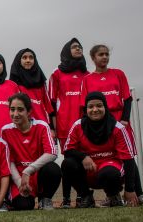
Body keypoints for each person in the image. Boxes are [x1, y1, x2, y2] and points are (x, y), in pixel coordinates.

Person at [81, 44, 143, 206]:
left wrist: (125, 120)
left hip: (119, 123)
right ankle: (113, 196)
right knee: (107, 159)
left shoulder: (118, 74)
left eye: (107, 54)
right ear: (93, 58)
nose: (105, 57)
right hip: (99, 124)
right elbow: (84, 105)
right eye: (101, 54)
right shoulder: (87, 79)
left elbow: (127, 98)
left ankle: (139, 195)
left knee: (129, 158)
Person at [62, 92, 139, 208]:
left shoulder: (118, 128)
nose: (95, 110)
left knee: (109, 173)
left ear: (105, 107)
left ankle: (113, 196)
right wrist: (83, 157)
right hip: (89, 170)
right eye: (90, 106)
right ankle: (86, 196)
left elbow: (129, 160)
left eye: (99, 105)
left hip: (110, 169)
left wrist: (130, 189)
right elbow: (67, 150)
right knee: (67, 164)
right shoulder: (78, 126)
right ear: (85, 109)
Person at [1, 93, 61, 210]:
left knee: (53, 169)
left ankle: (45, 199)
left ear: (29, 112)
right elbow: (8, 161)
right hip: (18, 177)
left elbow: (52, 152)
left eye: (20, 110)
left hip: (36, 174)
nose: (15, 114)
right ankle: (9, 200)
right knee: (24, 206)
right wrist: (19, 183)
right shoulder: (6, 130)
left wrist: (28, 171)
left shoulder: (42, 126)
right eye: (12, 110)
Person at [48, 38, 89, 208]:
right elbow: (51, 102)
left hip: (84, 125)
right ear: (66, 50)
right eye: (74, 47)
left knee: (81, 161)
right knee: (69, 161)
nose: (78, 49)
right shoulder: (56, 74)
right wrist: (53, 126)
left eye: (80, 47)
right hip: (65, 124)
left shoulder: (87, 74)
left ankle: (82, 195)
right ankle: (66, 199)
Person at [9, 48, 54, 128]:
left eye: (31, 57)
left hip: (42, 125)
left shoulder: (41, 81)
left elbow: (48, 107)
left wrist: (52, 128)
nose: (28, 60)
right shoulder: (13, 83)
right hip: (22, 127)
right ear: (19, 60)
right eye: (24, 58)